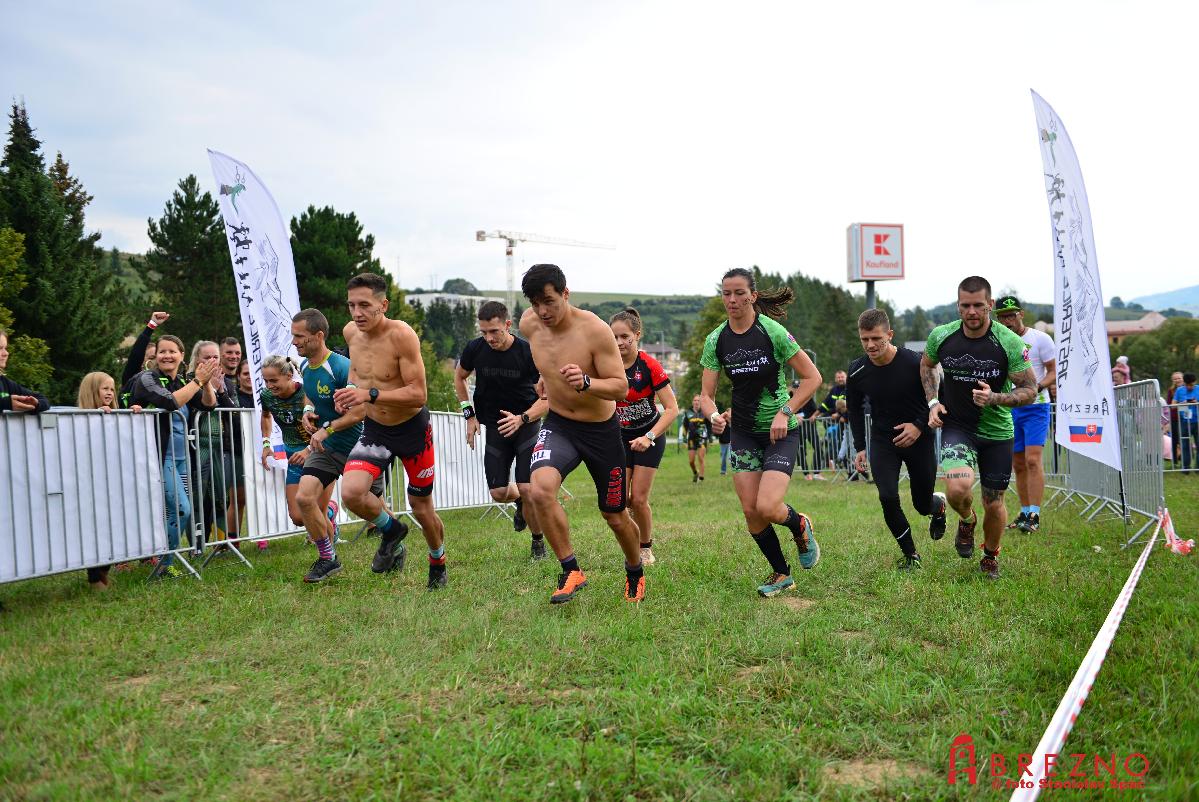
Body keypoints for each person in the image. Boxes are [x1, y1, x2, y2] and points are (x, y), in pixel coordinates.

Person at [518, 264, 645, 604]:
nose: (542, 311)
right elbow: (543, 360)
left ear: (565, 293)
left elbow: (620, 388)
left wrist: (587, 382)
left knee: (615, 515)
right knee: (540, 490)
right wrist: (545, 380)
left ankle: (635, 571)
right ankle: (571, 569)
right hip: (559, 424)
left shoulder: (594, 330)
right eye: (534, 302)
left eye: (548, 301)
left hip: (601, 431)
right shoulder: (530, 325)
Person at [699, 268, 822, 598]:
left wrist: (785, 412)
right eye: (726, 293)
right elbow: (706, 395)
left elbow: (812, 379)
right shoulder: (716, 340)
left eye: (739, 293)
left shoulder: (773, 332)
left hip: (780, 432)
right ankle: (782, 573)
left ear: (752, 295)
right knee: (751, 511)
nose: (732, 300)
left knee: (768, 506)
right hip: (742, 432)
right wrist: (712, 415)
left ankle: (799, 525)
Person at [333, 273, 448, 590]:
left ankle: (437, 562)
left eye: (365, 305)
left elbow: (418, 394)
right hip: (376, 429)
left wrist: (368, 394)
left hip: (412, 430)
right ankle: (392, 531)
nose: (357, 313)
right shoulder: (351, 333)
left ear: (383, 305)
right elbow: (357, 374)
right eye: (351, 305)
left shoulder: (402, 336)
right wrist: (348, 393)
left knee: (421, 508)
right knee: (351, 493)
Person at [920, 276, 1037, 580]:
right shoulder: (941, 336)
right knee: (957, 489)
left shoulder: (1009, 342)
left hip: (997, 433)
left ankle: (990, 555)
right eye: (965, 305)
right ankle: (966, 519)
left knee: (994, 502)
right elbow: (927, 364)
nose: (971, 311)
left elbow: (1030, 390)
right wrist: (933, 401)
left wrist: (994, 397)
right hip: (959, 426)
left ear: (990, 305)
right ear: (958, 305)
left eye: (978, 305)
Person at [847, 309, 947, 571]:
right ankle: (911, 555)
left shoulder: (916, 363)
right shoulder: (857, 370)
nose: (870, 345)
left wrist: (918, 426)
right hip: (883, 441)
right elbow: (854, 410)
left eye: (876, 338)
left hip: (920, 439)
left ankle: (938, 508)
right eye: (864, 339)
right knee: (888, 496)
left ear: (890, 335)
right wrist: (860, 447)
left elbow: (938, 397)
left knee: (921, 504)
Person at [454, 300, 548, 560]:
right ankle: (519, 502)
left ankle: (538, 541)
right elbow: (459, 377)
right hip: (495, 425)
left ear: (508, 325)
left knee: (528, 487)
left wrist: (523, 418)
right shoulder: (475, 348)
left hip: (527, 424)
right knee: (498, 493)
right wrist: (468, 414)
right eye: (483, 332)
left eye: (494, 331)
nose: (489, 338)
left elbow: (548, 397)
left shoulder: (527, 352)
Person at [290, 308, 375, 583]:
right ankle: (328, 558)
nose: (294, 342)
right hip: (325, 449)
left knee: (373, 507)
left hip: (353, 446)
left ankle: (393, 542)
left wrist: (326, 429)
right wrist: (307, 412)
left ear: (318, 336)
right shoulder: (304, 366)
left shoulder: (340, 366)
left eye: (299, 336)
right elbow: (310, 396)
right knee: (304, 499)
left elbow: (359, 412)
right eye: (293, 336)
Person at [128, 334, 219, 580]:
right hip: (158, 456)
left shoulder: (181, 380)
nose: (167, 356)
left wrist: (206, 382)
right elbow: (169, 403)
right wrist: (198, 381)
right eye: (162, 351)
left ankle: (165, 564)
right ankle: (163, 564)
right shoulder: (147, 379)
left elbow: (209, 405)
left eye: (172, 351)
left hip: (182, 458)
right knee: (183, 510)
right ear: (156, 356)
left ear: (181, 354)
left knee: (175, 512)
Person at [611, 307, 678, 566]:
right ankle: (631, 528)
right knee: (620, 501)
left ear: (637, 335)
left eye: (624, 336)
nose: (619, 343)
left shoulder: (649, 365)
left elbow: (672, 409)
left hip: (650, 434)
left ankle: (645, 547)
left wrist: (649, 436)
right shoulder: (608, 363)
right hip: (620, 438)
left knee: (638, 498)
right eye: (614, 337)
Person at [993, 296, 1057, 533]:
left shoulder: (1040, 338)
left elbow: (1053, 371)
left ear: (1021, 314)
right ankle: (1024, 512)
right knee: (1018, 464)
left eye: (1011, 315)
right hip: (1011, 408)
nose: (1007, 320)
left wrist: (1036, 387)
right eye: (1002, 316)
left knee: (1032, 460)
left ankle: (1035, 514)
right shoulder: (998, 340)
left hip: (1036, 407)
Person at [258, 355, 328, 544]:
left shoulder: (307, 392)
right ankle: (329, 515)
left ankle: (327, 530)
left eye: (274, 380)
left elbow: (327, 425)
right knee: (298, 517)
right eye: (266, 381)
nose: (269, 385)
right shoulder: (266, 396)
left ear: (289, 376)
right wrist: (266, 443)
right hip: (293, 457)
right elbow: (265, 416)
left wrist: (307, 449)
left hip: (320, 453)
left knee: (317, 511)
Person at [187, 341, 237, 549]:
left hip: (220, 448)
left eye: (215, 357)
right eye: (207, 357)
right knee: (199, 499)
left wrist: (221, 390)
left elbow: (233, 412)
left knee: (219, 497)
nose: (212, 361)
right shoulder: (189, 380)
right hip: (199, 446)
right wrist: (210, 387)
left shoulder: (227, 382)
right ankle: (198, 546)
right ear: (197, 359)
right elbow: (202, 405)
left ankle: (223, 543)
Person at [76, 371, 119, 589]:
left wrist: (134, 414)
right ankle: (95, 578)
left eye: (112, 389)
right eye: (105, 388)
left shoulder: (115, 415)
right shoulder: (80, 418)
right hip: (90, 483)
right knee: (94, 529)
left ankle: (104, 571)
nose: (110, 393)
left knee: (113, 526)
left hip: (111, 481)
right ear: (92, 391)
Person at [0, 328, 50, 414]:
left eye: (5, 348)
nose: (6, 353)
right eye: (0, 348)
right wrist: (6, 403)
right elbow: (6, 402)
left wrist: (34, 404)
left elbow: (42, 399)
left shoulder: (4, 382)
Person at [683, 396, 710, 482]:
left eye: (698, 400)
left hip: (702, 438)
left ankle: (701, 478)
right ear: (692, 402)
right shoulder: (687, 413)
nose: (696, 402)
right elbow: (685, 426)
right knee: (691, 461)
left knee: (701, 458)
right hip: (691, 439)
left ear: (700, 402)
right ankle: (695, 473)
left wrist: (711, 437)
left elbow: (709, 426)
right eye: (695, 400)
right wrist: (684, 439)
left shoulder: (704, 412)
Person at [1176, 373, 1199, 474]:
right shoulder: (1179, 390)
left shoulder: (1198, 389)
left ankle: (1197, 468)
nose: (1190, 387)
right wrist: (1183, 403)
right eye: (1188, 385)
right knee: (1185, 445)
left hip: (1197, 421)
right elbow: (1172, 404)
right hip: (1184, 421)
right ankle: (1186, 468)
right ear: (1184, 383)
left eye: (1192, 385)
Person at [1167, 371, 1185, 465]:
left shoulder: (1187, 389)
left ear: (1183, 378)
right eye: (1175, 379)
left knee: (1184, 439)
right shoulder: (1171, 391)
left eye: (1179, 378)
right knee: (1175, 440)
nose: (1177, 380)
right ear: (1172, 380)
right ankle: (1174, 461)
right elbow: (1169, 403)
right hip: (1174, 418)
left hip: (1186, 418)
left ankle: (1184, 459)